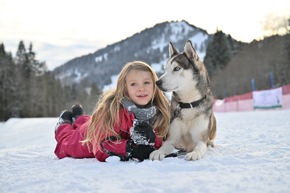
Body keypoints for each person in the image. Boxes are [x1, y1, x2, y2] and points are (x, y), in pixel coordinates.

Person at [54, 61, 170, 162]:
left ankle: (79, 117)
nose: (141, 88)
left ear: (155, 86)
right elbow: (101, 146)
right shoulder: (112, 110)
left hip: (93, 125)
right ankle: (63, 124)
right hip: (89, 137)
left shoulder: (159, 112)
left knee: (86, 122)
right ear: (125, 89)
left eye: (146, 82)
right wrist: (130, 149)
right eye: (133, 84)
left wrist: (153, 139)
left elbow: (162, 140)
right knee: (67, 143)